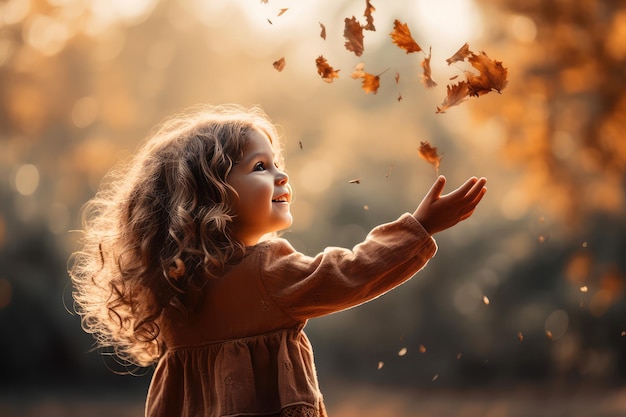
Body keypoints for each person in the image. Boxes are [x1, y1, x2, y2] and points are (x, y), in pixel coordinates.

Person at [69, 104, 487, 417]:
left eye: (278, 163)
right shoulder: (264, 271)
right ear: (212, 195)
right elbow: (349, 273)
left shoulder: (174, 285)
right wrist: (418, 228)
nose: (281, 175)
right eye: (260, 166)